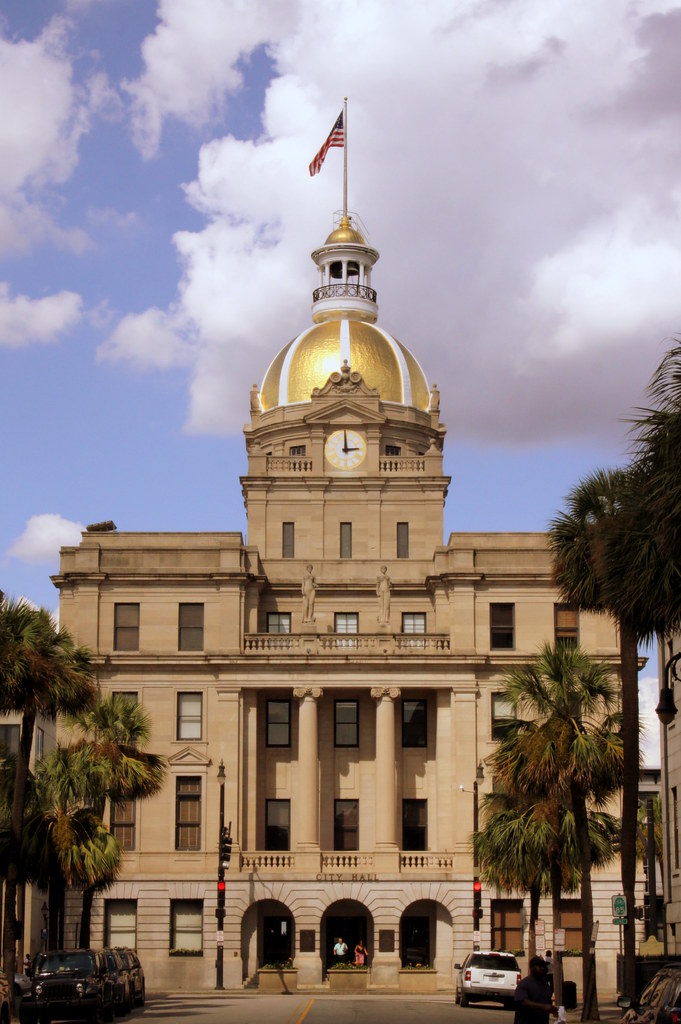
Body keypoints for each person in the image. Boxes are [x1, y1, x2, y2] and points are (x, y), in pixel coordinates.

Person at [514, 956, 558, 1024]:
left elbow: (547, 1002)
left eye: (544, 966)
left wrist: (552, 1009)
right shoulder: (524, 984)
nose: (543, 968)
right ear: (532, 968)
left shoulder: (545, 984)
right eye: (540, 966)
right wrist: (544, 1007)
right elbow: (523, 1002)